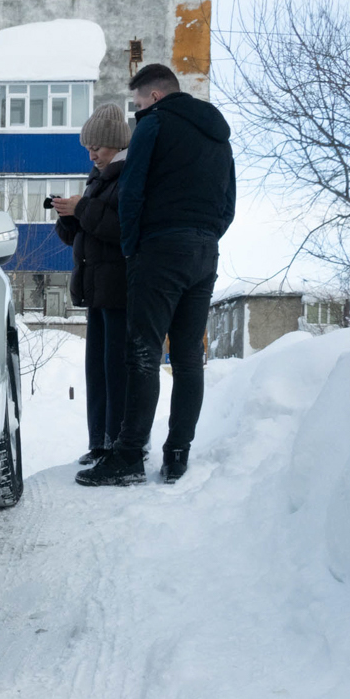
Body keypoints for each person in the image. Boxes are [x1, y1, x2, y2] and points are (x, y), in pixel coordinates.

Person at [77, 64, 235, 487]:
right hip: (204, 254)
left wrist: (132, 247)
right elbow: (229, 203)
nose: (137, 111)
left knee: (143, 353)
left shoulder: (155, 123)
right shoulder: (218, 134)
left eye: (138, 103)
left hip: (159, 251)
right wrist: (205, 235)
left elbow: (132, 189)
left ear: (156, 96)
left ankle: (128, 456)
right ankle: (177, 454)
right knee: (187, 359)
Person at [48, 104, 132, 465]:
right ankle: (99, 443)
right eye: (88, 147)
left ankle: (117, 443)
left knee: (116, 373)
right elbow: (85, 237)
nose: (92, 153)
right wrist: (67, 218)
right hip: (97, 290)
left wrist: (82, 209)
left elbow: (123, 230)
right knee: (97, 371)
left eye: (97, 146)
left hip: (120, 290)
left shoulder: (128, 177)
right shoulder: (97, 179)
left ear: (115, 143)